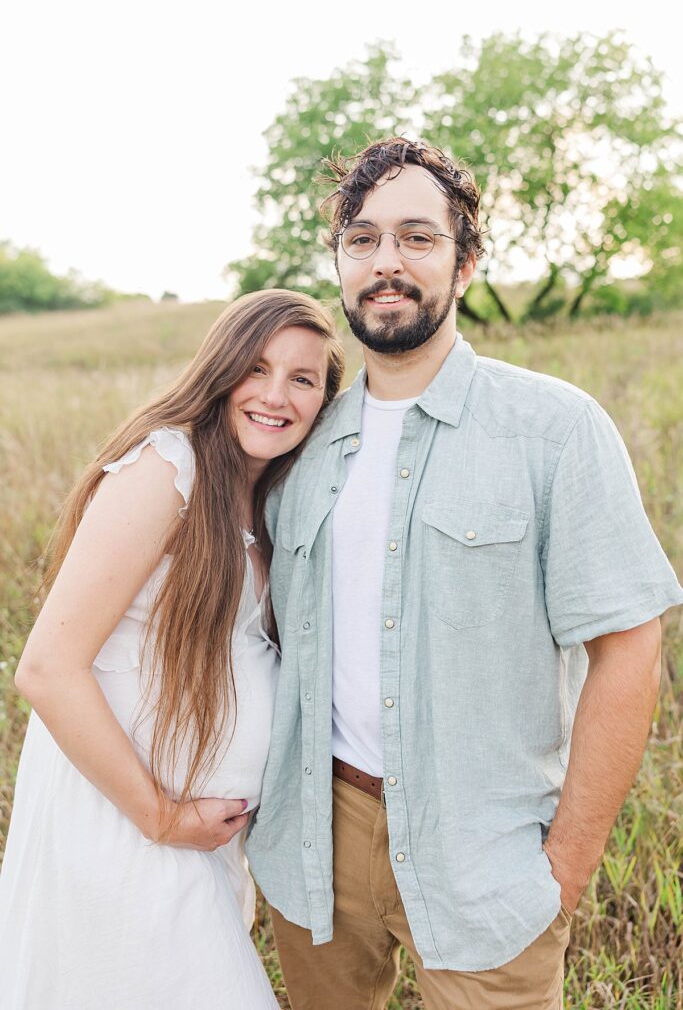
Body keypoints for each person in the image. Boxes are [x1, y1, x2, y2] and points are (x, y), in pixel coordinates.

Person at [246, 139, 683, 1010]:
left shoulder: (554, 429)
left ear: (465, 259)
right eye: (362, 239)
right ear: (337, 260)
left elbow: (630, 652)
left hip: (486, 860)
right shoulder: (297, 443)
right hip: (317, 847)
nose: (387, 264)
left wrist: (560, 870)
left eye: (417, 237)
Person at [0, 289, 345, 1009]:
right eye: (256, 368)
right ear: (220, 371)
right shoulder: (170, 466)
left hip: (193, 841)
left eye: (303, 379)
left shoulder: (270, 496)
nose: (275, 395)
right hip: (124, 824)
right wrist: (159, 815)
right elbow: (47, 668)